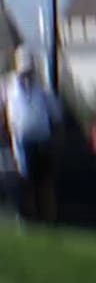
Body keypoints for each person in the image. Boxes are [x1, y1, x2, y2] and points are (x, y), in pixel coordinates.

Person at [1, 49, 63, 224]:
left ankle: (49, 219)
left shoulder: (43, 90)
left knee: (45, 182)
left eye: (29, 72)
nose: (26, 77)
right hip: (21, 140)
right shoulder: (8, 87)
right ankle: (28, 218)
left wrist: (57, 140)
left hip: (42, 139)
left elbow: (56, 117)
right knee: (25, 180)